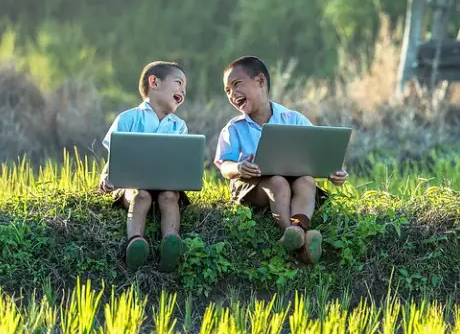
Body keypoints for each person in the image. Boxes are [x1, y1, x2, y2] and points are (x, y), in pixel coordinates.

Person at [214, 56, 348, 264]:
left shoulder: (292, 119)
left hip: (292, 180)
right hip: (253, 186)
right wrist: (239, 168)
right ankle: (291, 232)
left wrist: (333, 172)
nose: (232, 94)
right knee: (277, 182)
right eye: (227, 90)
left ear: (260, 81)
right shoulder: (234, 128)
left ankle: (297, 230)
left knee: (306, 181)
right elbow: (224, 166)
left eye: (236, 84)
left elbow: (317, 152)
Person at [98, 60, 190, 272]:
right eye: (178, 83)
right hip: (134, 184)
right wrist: (106, 175)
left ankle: (171, 241)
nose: (183, 91)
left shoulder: (179, 125)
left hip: (166, 184)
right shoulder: (128, 118)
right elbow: (115, 156)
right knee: (142, 196)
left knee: (169, 197)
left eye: (185, 88)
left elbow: (180, 161)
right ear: (154, 82)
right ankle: (136, 242)